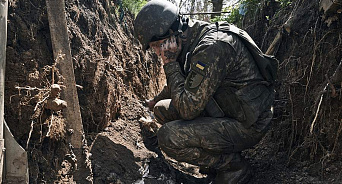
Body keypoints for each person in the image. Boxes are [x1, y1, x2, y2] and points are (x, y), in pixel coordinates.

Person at [134, 0, 276, 183]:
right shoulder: (190, 39)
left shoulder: (211, 47)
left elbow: (187, 109)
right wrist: (154, 100)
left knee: (168, 137)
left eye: (155, 46)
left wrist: (170, 64)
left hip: (248, 124)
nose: (156, 52)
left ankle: (233, 167)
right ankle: (214, 160)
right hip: (229, 110)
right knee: (161, 108)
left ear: (170, 33)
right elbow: (184, 83)